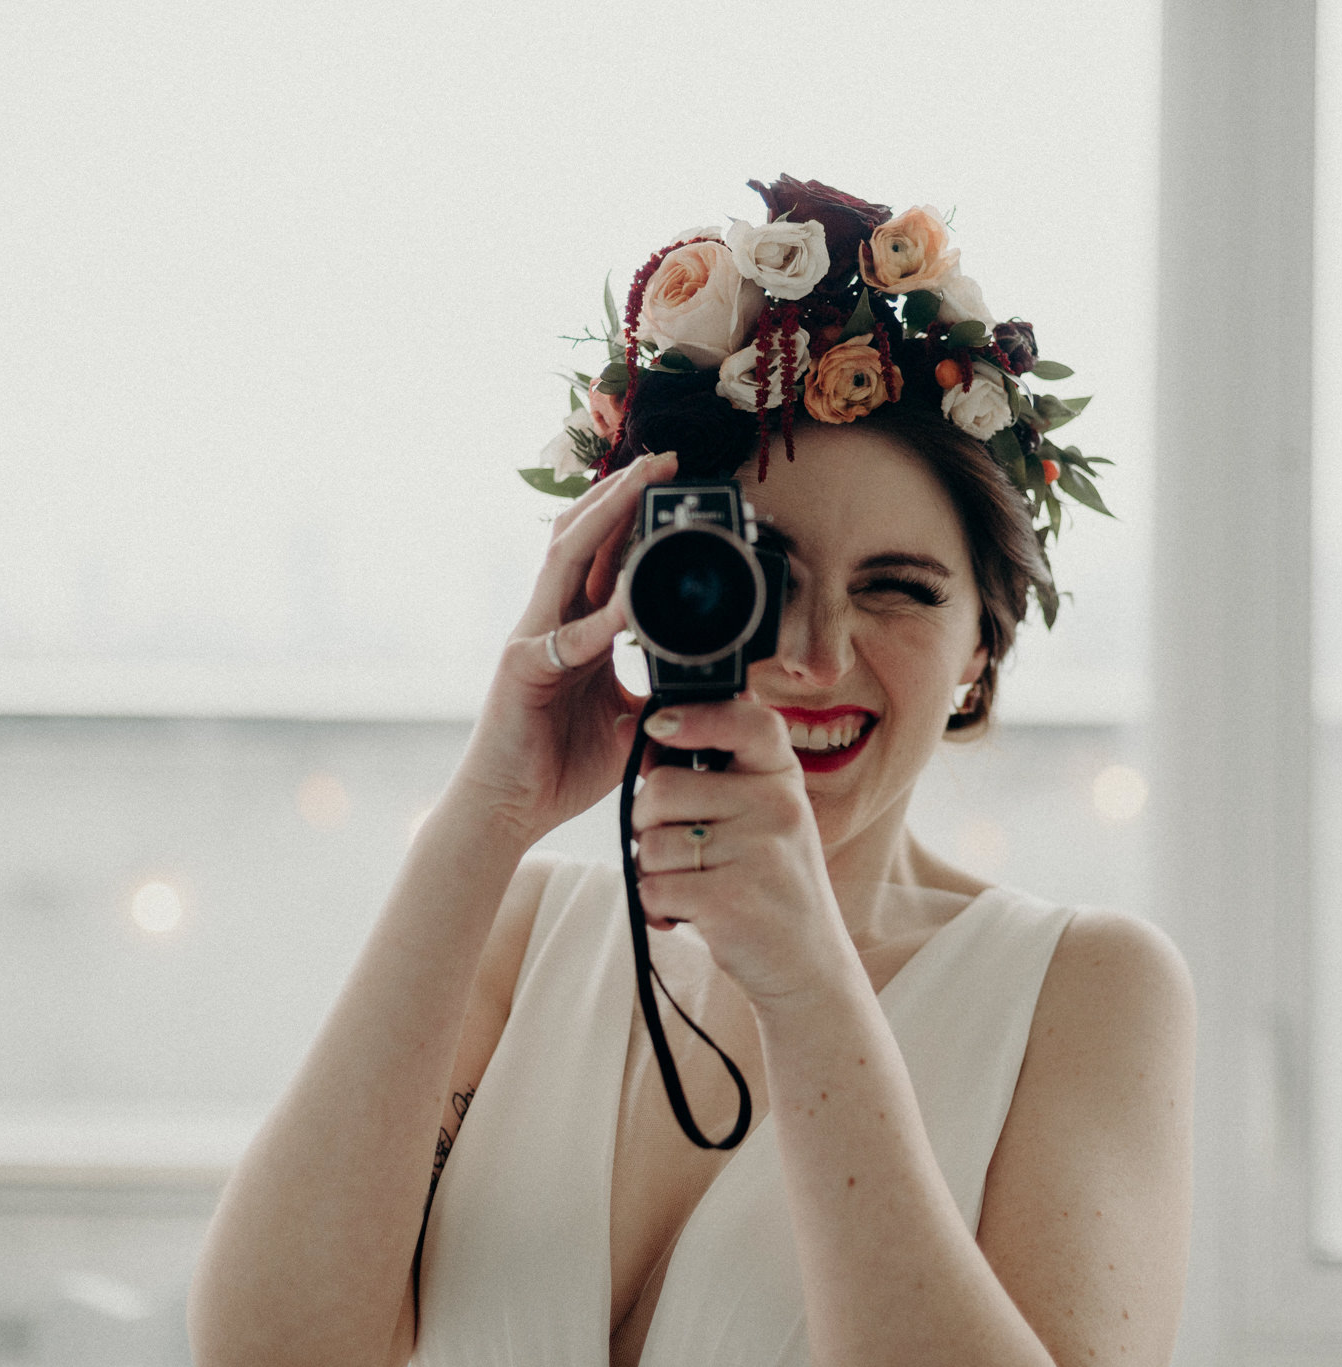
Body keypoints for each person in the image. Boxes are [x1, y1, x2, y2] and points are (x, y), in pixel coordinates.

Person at [187, 176, 1195, 1367]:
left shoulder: (1086, 989)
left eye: (897, 586)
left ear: (982, 645)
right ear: (649, 585)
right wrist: (488, 807)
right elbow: (266, 1349)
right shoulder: (516, 937)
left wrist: (809, 981)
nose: (817, 655)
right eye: (754, 573)